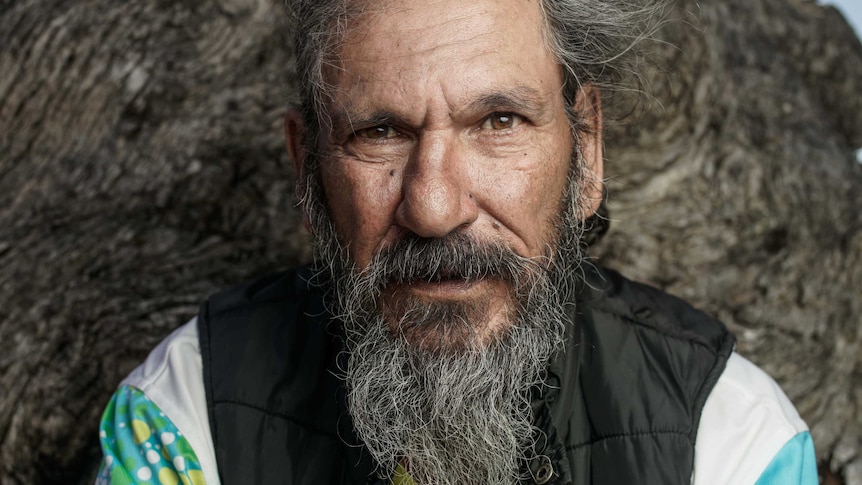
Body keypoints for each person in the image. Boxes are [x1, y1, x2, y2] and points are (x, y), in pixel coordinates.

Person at [95, 0, 818, 483]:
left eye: (498, 120)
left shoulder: (726, 440)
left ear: (587, 149)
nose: (435, 207)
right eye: (379, 131)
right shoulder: (187, 417)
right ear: (304, 165)